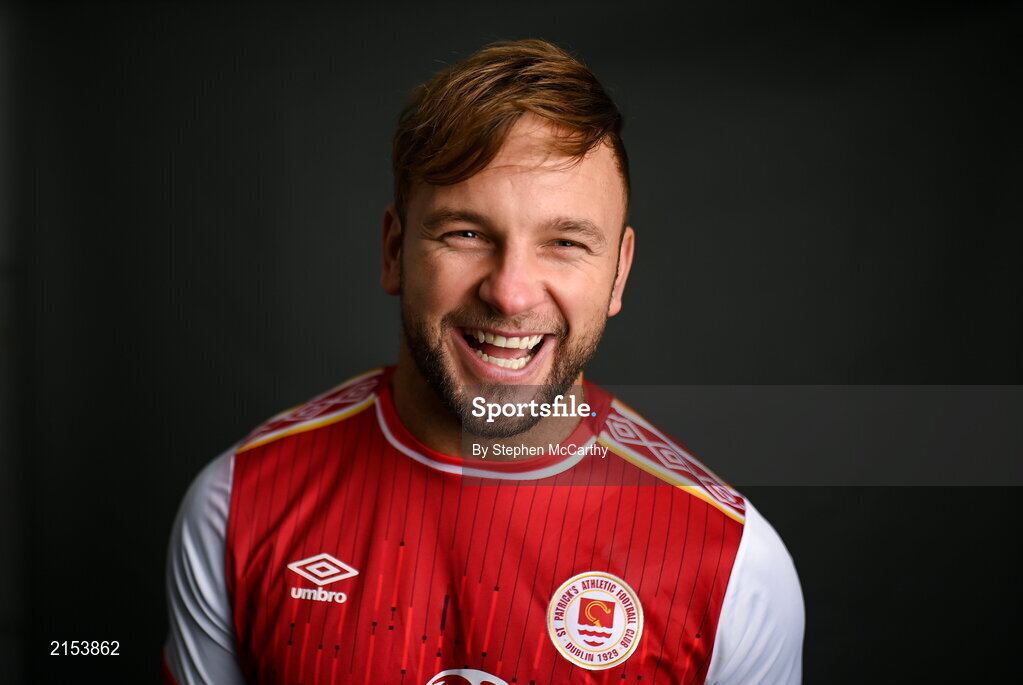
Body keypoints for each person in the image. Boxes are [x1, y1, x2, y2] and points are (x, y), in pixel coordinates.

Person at [162, 39, 804, 685]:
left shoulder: (732, 563)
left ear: (618, 275)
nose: (510, 291)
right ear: (394, 250)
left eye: (564, 241)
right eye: (465, 233)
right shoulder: (238, 504)